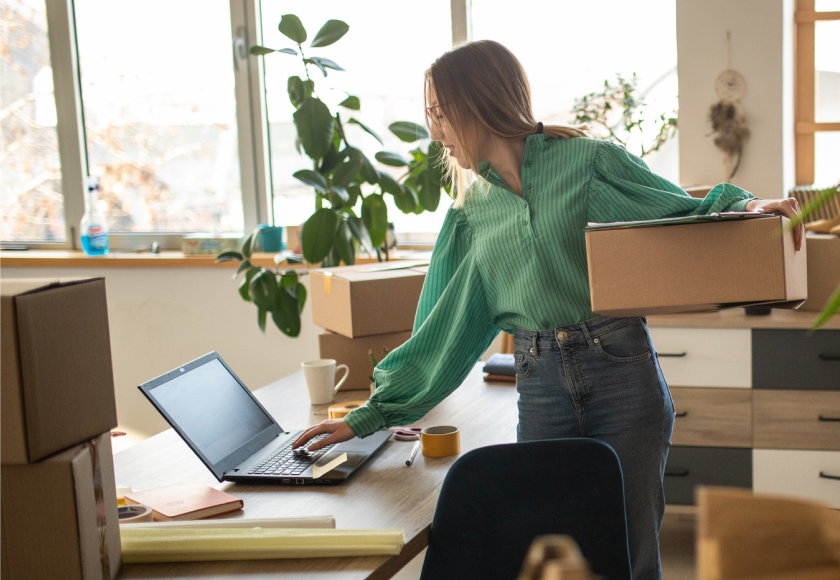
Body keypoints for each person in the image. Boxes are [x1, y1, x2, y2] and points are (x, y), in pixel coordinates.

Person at [294, 40, 803, 580]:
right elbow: (442, 330)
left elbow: (674, 211)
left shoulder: (587, 164)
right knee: (550, 556)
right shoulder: (471, 214)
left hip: (623, 376)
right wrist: (371, 415)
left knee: (631, 555)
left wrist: (747, 208)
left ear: (478, 103)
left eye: (441, 114)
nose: (435, 131)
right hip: (541, 389)